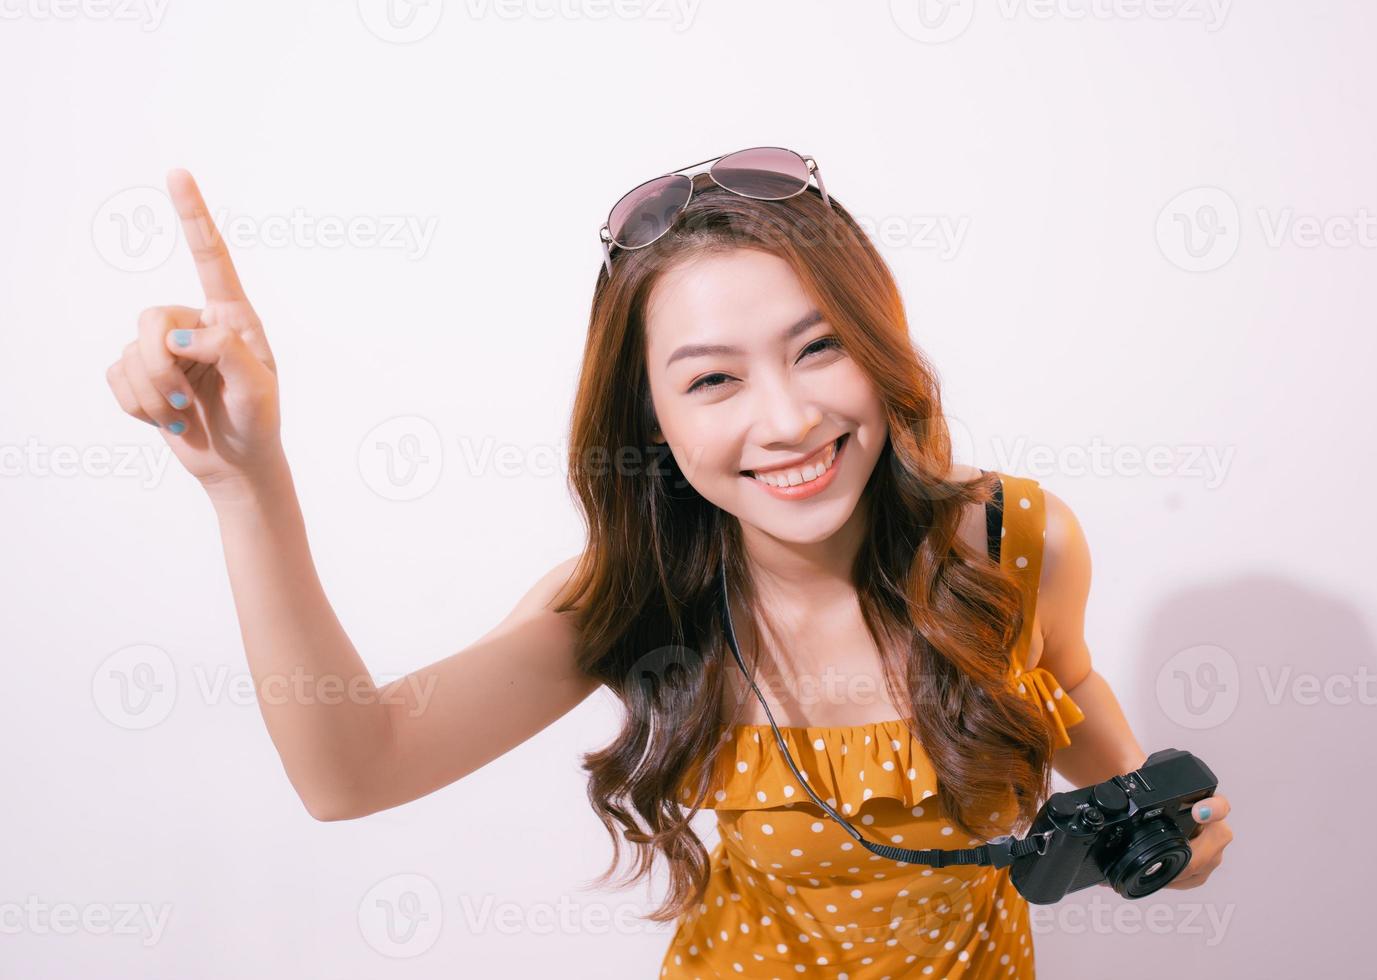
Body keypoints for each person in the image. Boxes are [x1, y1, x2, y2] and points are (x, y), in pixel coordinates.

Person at [105, 155, 1233, 979]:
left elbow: (1066, 676)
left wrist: (1149, 828)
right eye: (711, 380)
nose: (788, 418)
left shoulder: (1011, 541)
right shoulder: (633, 604)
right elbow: (352, 769)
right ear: (647, 418)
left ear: (878, 345)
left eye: (817, 346)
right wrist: (245, 484)